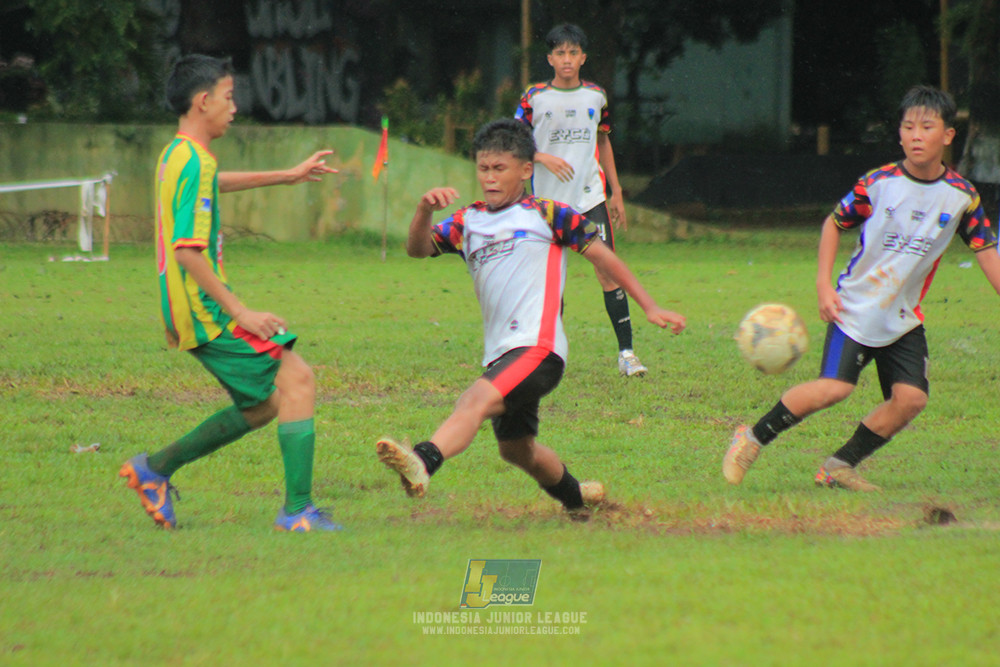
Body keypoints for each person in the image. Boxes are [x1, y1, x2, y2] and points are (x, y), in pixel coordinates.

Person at [375, 118, 685, 514]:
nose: (489, 178)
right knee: (517, 451)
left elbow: (607, 259)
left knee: (472, 400)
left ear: (525, 170)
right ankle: (579, 501)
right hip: (502, 355)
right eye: (483, 169)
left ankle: (423, 459)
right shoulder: (468, 221)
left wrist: (650, 306)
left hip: (540, 350)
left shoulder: (548, 214)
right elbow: (418, 249)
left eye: (499, 168)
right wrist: (422, 211)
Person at [724, 85, 1000, 491]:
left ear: (948, 135)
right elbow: (834, 223)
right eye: (908, 127)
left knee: (911, 399)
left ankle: (838, 466)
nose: (916, 135)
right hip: (853, 310)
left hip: (903, 319)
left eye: (927, 127)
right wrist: (823, 286)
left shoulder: (961, 197)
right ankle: (749, 439)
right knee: (834, 388)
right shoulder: (879, 183)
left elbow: (987, 250)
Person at [119, 54, 341, 531]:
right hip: (205, 311)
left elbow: (209, 186)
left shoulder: (177, 155)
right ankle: (297, 512)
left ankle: (153, 469)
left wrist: (286, 175)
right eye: (228, 96)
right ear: (204, 102)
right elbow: (187, 250)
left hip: (182, 308)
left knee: (265, 404)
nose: (234, 106)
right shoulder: (194, 161)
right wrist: (241, 312)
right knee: (297, 380)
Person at [515, 23, 645, 377]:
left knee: (608, 272)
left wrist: (615, 192)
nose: (567, 59)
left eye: (573, 53)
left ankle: (627, 353)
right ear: (550, 58)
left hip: (589, 199)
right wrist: (542, 158)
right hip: (546, 206)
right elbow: (515, 141)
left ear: (583, 58)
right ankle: (548, 354)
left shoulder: (595, 96)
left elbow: (603, 142)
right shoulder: (534, 98)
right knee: (548, 281)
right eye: (560, 53)